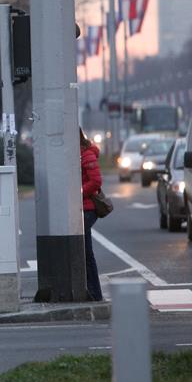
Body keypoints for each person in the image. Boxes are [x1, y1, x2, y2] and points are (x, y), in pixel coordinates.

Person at [80, 128, 104, 301]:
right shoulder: (79, 154)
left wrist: (78, 191)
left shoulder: (86, 155)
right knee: (86, 252)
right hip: (82, 208)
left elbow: (96, 181)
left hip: (88, 209)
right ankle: (93, 292)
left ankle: (95, 293)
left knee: (86, 253)